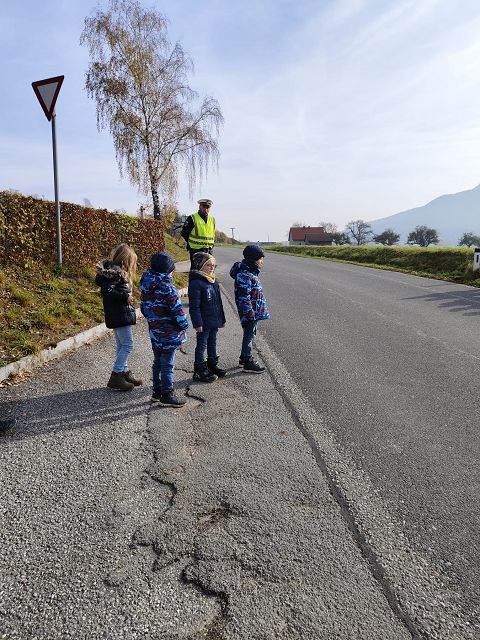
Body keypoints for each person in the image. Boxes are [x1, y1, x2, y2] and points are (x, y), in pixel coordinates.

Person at [139, 251, 189, 407]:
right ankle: (167, 395)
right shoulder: (168, 288)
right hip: (168, 333)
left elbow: (143, 308)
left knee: (157, 362)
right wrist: (184, 325)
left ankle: (157, 392)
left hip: (155, 332)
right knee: (167, 364)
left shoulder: (146, 286)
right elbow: (178, 312)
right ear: (167, 271)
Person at [95, 243, 142, 391]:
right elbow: (107, 291)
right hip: (120, 314)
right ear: (125, 261)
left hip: (118, 314)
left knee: (122, 345)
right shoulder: (116, 273)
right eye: (131, 262)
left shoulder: (114, 272)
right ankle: (116, 375)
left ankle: (124, 373)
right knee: (128, 344)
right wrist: (125, 297)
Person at [229, 244, 270, 373]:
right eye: (260, 259)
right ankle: (248, 361)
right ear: (253, 259)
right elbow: (243, 297)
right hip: (250, 312)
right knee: (249, 336)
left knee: (250, 334)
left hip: (253, 311)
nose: (262, 261)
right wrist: (249, 312)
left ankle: (243, 358)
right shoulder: (245, 275)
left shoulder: (251, 272)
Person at [188, 252, 227, 383]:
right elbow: (194, 306)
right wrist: (197, 323)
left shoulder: (213, 281)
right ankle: (199, 370)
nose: (212, 268)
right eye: (208, 265)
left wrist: (221, 320)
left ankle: (212, 365)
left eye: (213, 265)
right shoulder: (196, 283)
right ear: (200, 266)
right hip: (203, 322)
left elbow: (219, 303)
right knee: (202, 345)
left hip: (214, 320)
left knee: (212, 342)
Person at [181, 198, 216, 269]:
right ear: (199, 207)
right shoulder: (192, 218)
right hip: (196, 250)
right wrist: (191, 244)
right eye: (204, 207)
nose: (205, 209)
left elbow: (213, 233)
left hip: (208, 250)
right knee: (196, 270)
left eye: (208, 207)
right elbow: (184, 233)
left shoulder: (212, 219)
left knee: (208, 271)